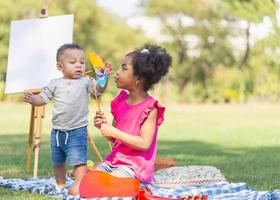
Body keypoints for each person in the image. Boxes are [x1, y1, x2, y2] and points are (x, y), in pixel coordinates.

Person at [23, 43, 112, 195]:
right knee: (58, 162)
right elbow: (42, 99)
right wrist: (33, 99)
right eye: (73, 62)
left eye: (82, 62)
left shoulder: (86, 82)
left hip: (77, 131)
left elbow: (99, 90)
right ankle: (60, 186)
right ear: (60, 66)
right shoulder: (54, 84)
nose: (79, 65)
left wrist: (103, 78)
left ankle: (80, 188)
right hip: (57, 132)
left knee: (79, 163)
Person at [93, 44, 172, 183]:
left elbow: (144, 144)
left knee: (105, 187)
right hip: (114, 162)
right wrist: (104, 126)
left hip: (135, 167)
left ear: (139, 79)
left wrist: (114, 132)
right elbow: (115, 138)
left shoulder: (150, 108)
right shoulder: (120, 101)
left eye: (124, 68)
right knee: (78, 189)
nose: (117, 72)